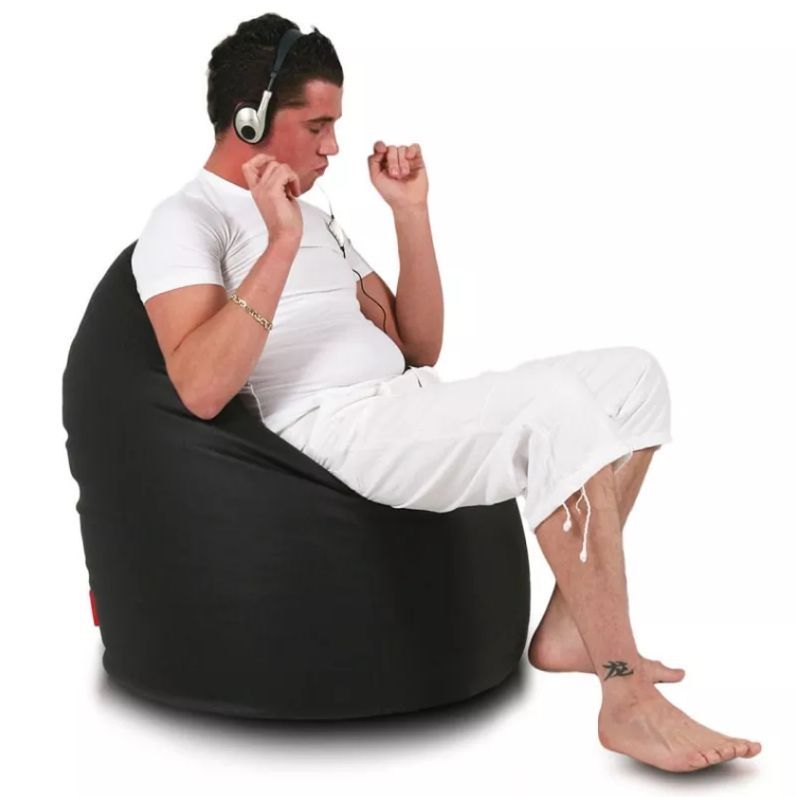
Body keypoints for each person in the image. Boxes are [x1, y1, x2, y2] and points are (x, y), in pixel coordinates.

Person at [130, 12, 762, 773]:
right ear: (250, 120)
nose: (333, 146)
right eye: (317, 125)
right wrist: (280, 243)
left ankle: (570, 627)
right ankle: (625, 694)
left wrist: (409, 212)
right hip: (332, 434)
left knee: (635, 380)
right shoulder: (185, 221)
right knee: (556, 409)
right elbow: (200, 388)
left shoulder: (317, 214)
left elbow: (419, 346)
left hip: (404, 403)